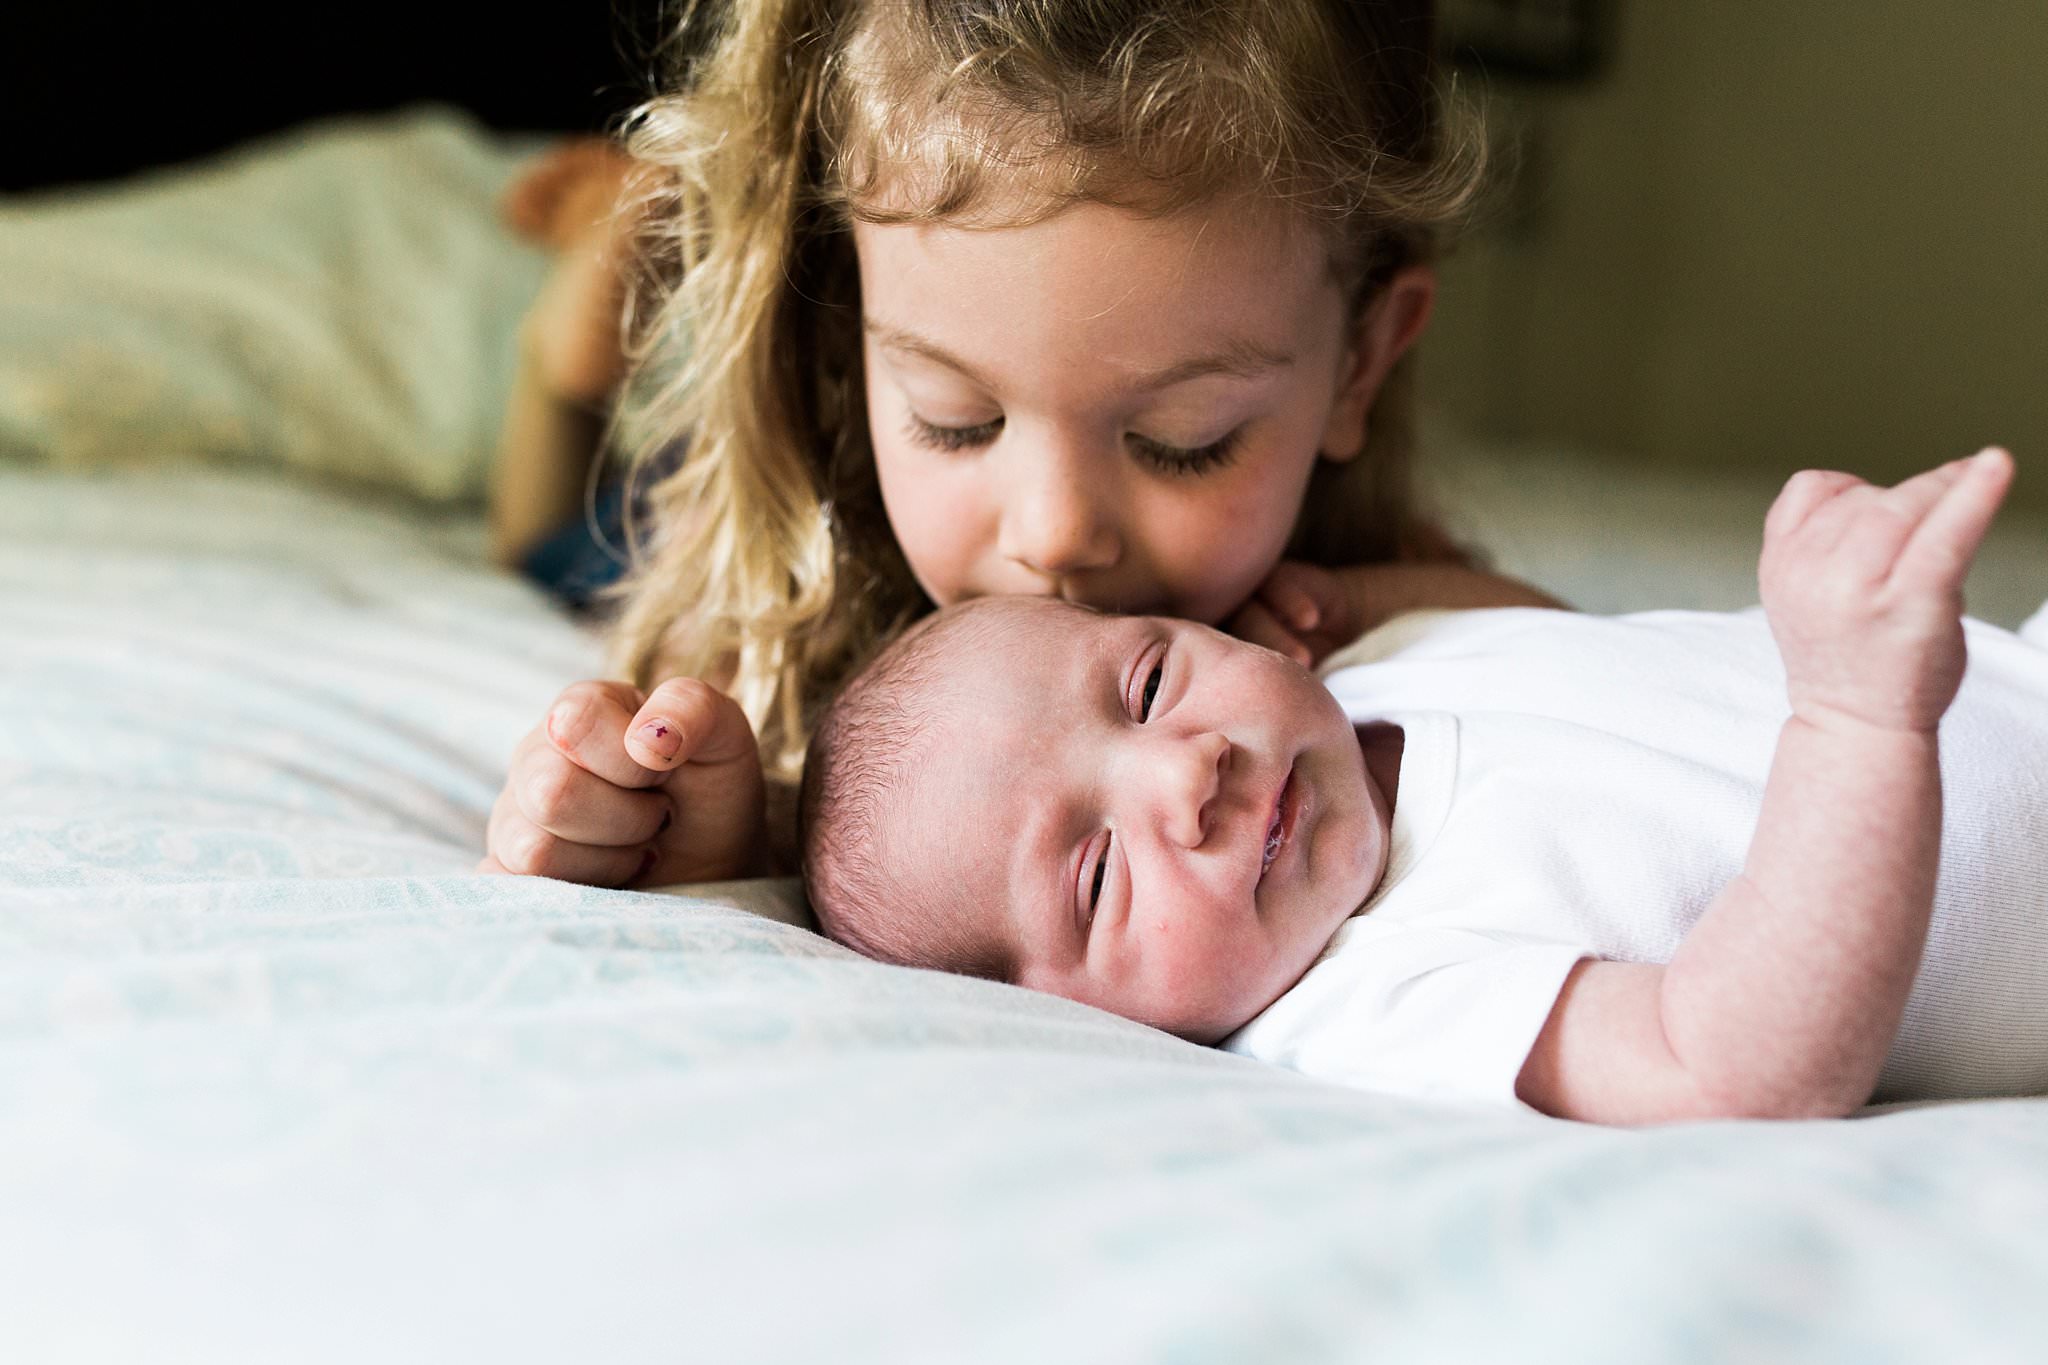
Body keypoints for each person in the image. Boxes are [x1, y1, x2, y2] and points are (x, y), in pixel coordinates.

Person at [475, 0, 1563, 888]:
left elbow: (1601, 676)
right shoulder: (791, 572)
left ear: (1357, 364)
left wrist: (1373, 614)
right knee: (551, 540)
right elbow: (715, 794)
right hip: (683, 507)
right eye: (956, 419)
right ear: (846, 327)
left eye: (1181, 441)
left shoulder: (1350, 580)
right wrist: (702, 831)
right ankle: (574, 326)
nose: (1053, 535)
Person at [798, 449, 2048, 1125]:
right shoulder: (1372, 999)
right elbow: (1726, 1068)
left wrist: (1355, 605)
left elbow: (1572, 650)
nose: (1188, 767)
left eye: (1144, 684)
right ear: (1066, 1018)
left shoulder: (1369, 677)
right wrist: (1857, 713)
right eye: (1099, 872)